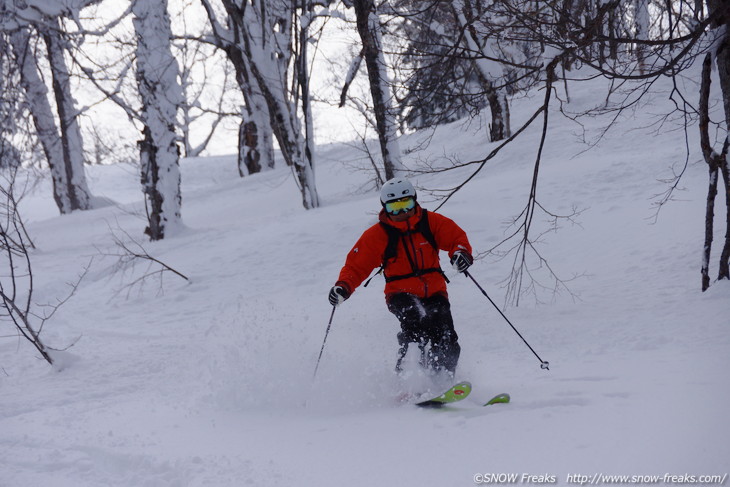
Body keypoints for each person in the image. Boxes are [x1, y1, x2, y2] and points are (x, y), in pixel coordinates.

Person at [328, 178, 474, 379]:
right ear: (384, 208)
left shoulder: (431, 223)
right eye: (394, 207)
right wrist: (343, 286)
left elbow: (457, 239)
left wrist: (461, 254)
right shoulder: (377, 235)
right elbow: (356, 265)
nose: (402, 212)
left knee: (445, 335)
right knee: (416, 326)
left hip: (435, 291)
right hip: (400, 293)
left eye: (406, 204)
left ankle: (442, 379)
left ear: (415, 201)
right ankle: (407, 380)